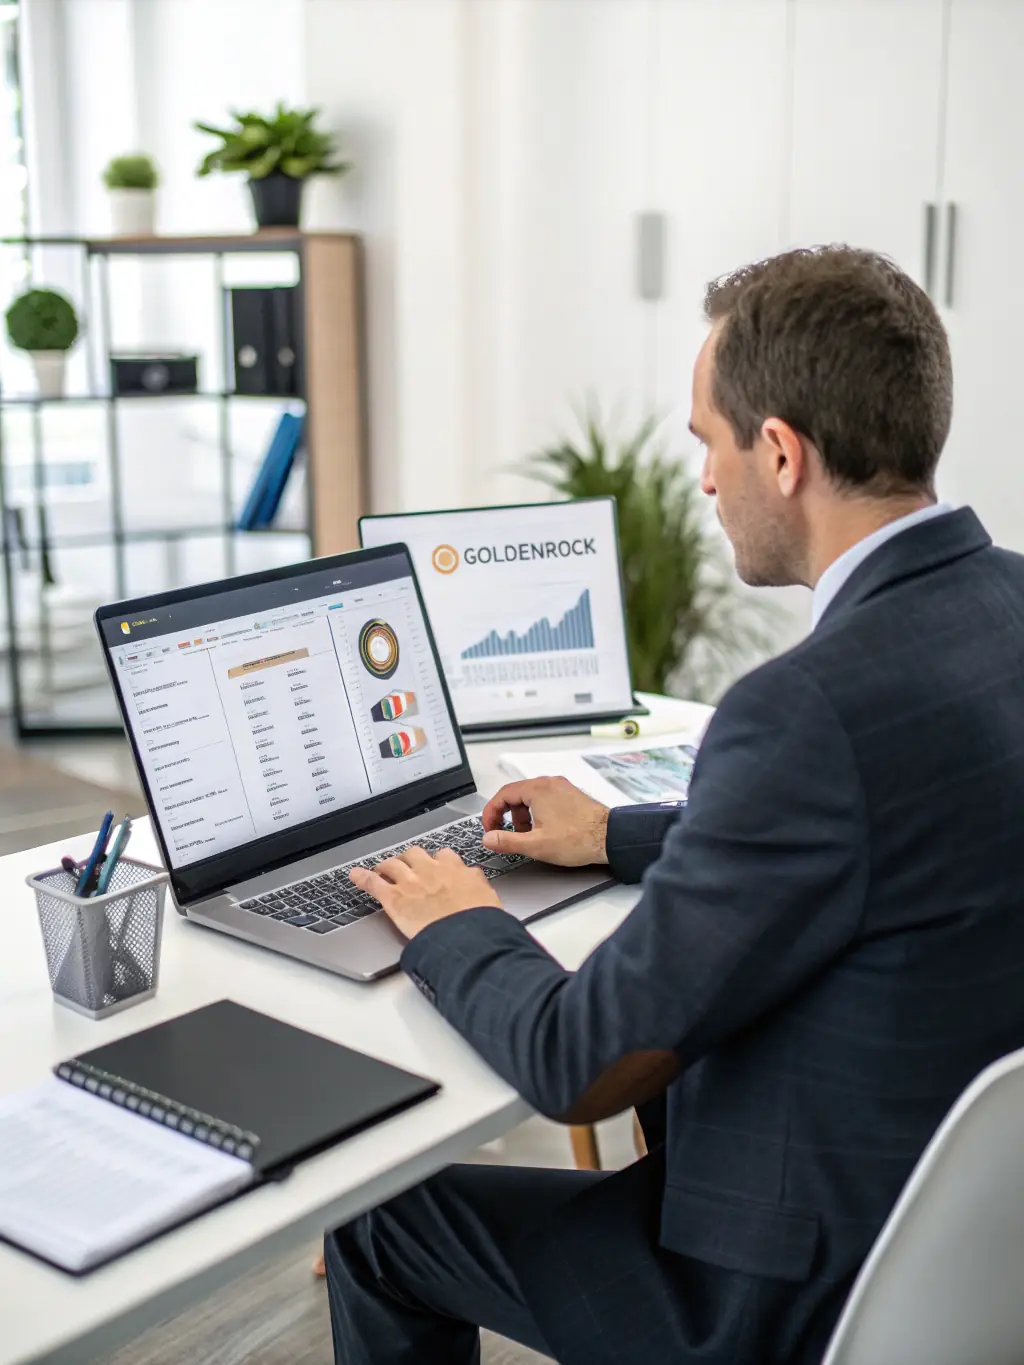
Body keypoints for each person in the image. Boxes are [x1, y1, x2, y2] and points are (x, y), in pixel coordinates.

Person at [324, 246, 1024, 1365]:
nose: (703, 479)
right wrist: (611, 835)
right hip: (967, 1246)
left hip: (787, 1296)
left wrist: (456, 919)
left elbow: (577, 1063)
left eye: (708, 440)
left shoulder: (801, 713)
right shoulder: (1007, 606)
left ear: (781, 453)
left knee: (379, 1221)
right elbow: (881, 844)